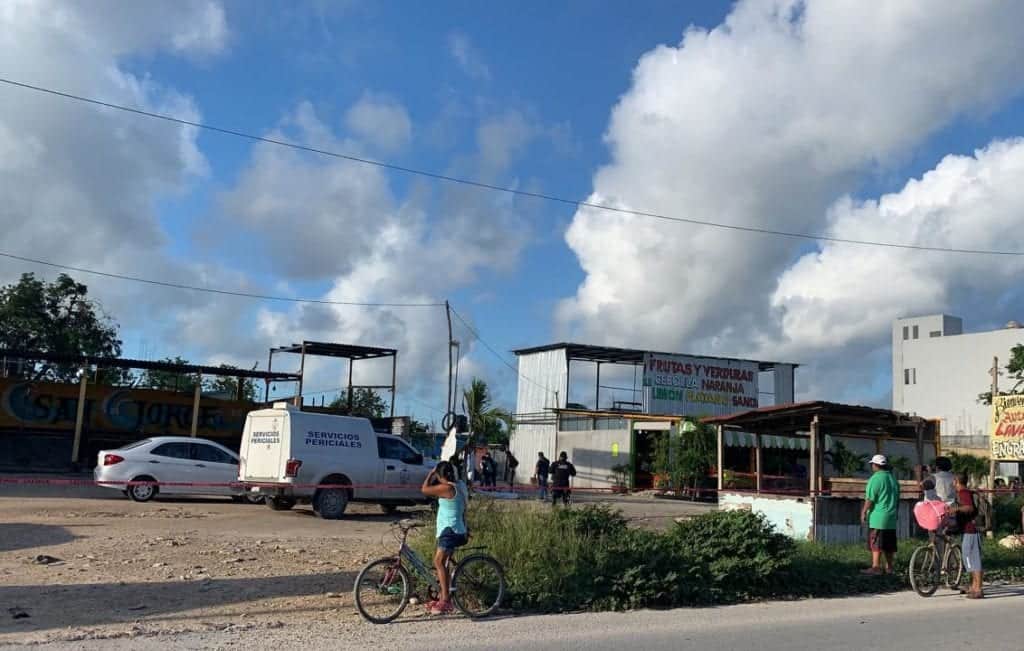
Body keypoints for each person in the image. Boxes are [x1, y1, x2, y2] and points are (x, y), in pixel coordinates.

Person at [420, 460, 468, 615]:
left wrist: (430, 473)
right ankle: (443, 596)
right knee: (444, 564)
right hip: (457, 529)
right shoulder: (459, 485)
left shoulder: (447, 488)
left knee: (438, 562)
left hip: (449, 530)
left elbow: (424, 489)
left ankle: (446, 600)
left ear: (440, 475)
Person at [861, 454, 900, 575]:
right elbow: (897, 499)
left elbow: (870, 498)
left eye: (872, 464)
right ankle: (889, 568)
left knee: (876, 542)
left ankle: (876, 567)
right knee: (889, 544)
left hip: (878, 517)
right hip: (891, 517)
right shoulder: (893, 479)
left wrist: (863, 511)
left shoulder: (876, 479)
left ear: (875, 465)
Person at [949, 472, 984, 599]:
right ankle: (974, 586)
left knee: (973, 559)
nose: (952, 483)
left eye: (954, 481)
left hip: (971, 530)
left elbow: (969, 508)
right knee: (970, 559)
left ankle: (978, 589)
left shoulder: (963, 493)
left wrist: (957, 509)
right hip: (968, 530)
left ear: (957, 481)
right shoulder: (964, 493)